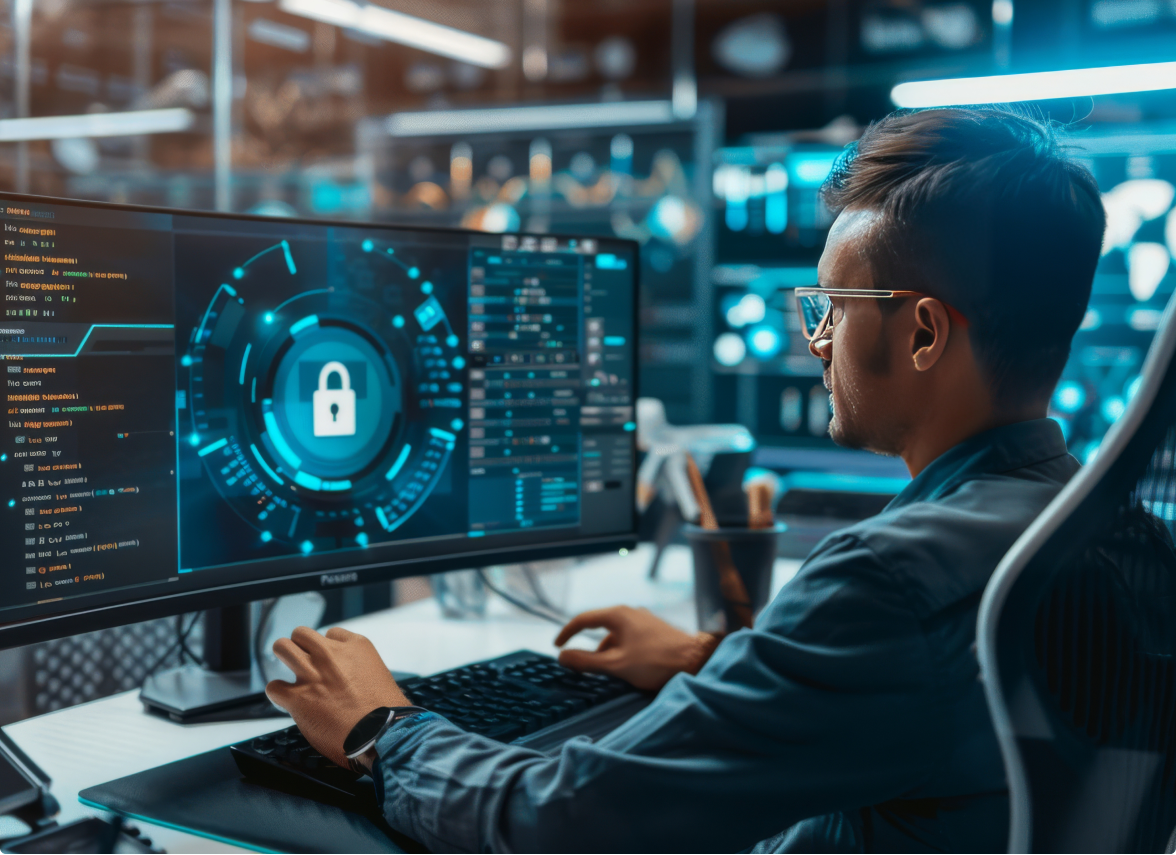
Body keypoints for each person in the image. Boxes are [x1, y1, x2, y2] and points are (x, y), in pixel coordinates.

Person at [265, 107, 1107, 853]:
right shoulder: (1105, 530)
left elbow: (558, 820)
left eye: (832, 308)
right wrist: (712, 662)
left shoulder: (893, 582)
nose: (815, 342)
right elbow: (931, 711)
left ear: (923, 332)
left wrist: (384, 726)